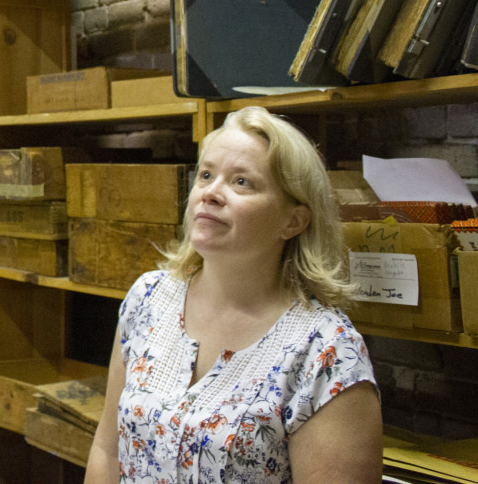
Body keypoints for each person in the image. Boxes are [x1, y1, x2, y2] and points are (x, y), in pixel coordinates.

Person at [84, 106, 382, 484]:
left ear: (293, 221)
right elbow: (107, 453)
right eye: (206, 175)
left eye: (242, 182)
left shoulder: (326, 351)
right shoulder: (148, 299)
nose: (210, 193)